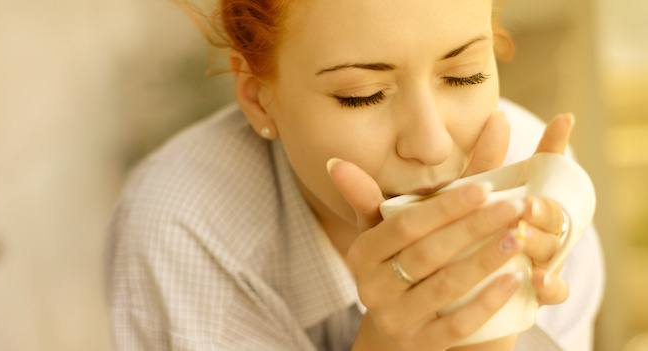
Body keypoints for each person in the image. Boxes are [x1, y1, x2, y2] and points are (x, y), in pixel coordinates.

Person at [105, 0, 604, 350]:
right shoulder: (183, 229)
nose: (430, 143)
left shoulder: (542, 196)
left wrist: (492, 323)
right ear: (258, 97)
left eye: (464, 75)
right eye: (361, 94)